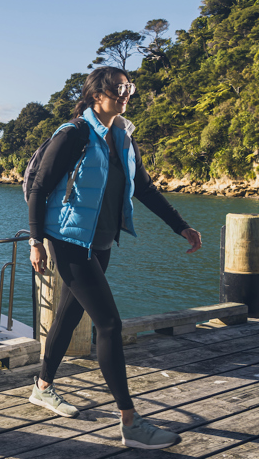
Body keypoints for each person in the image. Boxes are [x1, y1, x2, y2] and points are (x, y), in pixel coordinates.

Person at [26, 66, 202, 450]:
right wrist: (35, 241)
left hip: (101, 241)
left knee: (71, 313)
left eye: (129, 87)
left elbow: (145, 188)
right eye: (118, 88)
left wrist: (181, 225)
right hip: (69, 241)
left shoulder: (122, 135)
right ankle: (130, 422)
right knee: (108, 323)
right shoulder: (74, 134)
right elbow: (39, 187)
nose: (125, 93)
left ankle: (41, 387)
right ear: (95, 95)